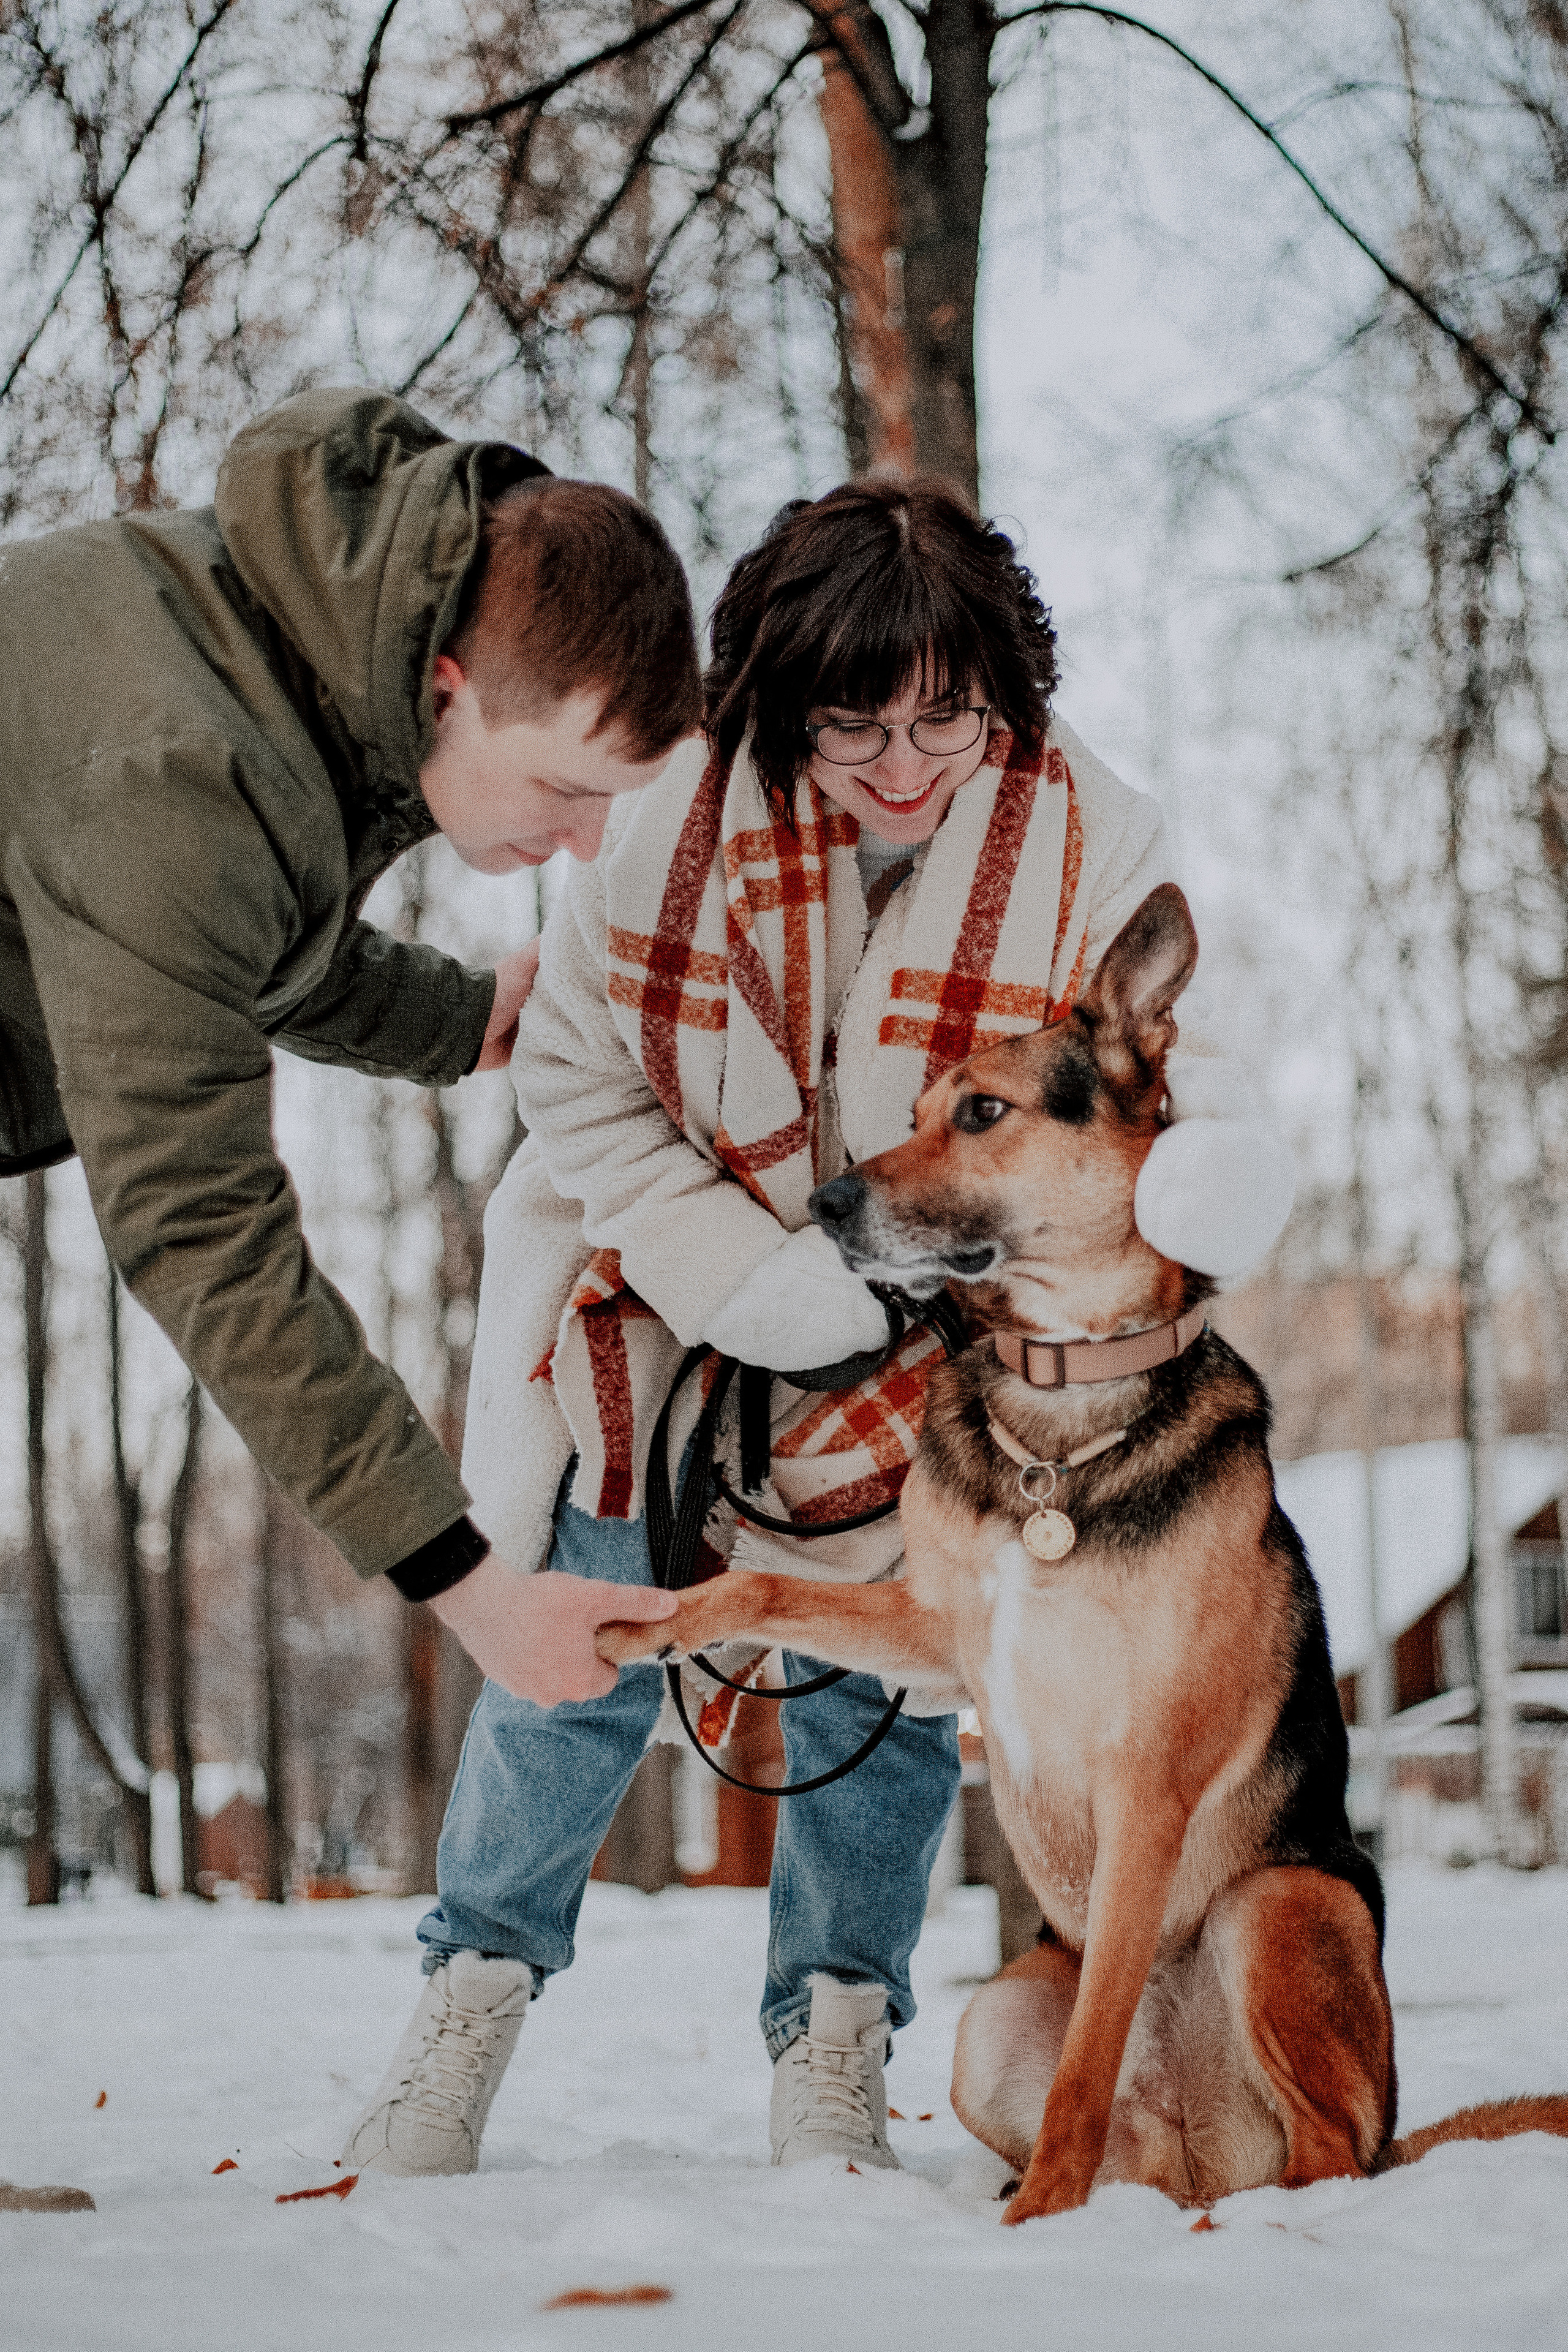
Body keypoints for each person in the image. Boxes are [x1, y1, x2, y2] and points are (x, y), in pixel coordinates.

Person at [344, 481, 1295, 2180]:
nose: (909, 767)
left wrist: (968, 1273)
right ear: (778, 712)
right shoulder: (667, 815)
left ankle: (835, 2037)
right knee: (582, 1637)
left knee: (902, 1680)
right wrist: (759, 1286)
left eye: (949, 720)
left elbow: (1128, 1119)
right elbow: (567, 1074)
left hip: (937, 1321)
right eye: (856, 730)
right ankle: (467, 2007)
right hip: (663, 1276)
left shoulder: (1095, 844)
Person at [0, 386, 696, 1690]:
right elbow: (201, 1227)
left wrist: (458, 1018)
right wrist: (473, 1590)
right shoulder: (180, 770)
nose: (585, 841)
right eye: (564, 787)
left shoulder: (283, 643)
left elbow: (242, 931)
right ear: (451, 686)